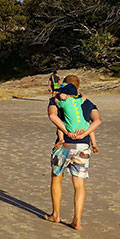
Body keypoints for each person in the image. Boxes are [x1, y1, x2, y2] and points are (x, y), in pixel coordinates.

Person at [46, 76, 102, 230]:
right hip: (83, 147)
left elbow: (52, 116)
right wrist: (84, 134)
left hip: (64, 145)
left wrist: (66, 132)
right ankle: (77, 220)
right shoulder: (87, 102)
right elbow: (97, 120)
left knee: (57, 178)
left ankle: (55, 214)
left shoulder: (56, 100)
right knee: (79, 184)